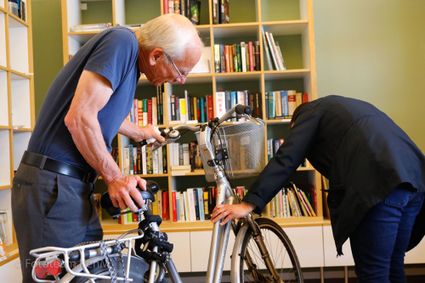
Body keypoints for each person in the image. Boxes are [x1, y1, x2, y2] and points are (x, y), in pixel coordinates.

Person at [12, 13, 203, 282]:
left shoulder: (130, 61)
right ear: (156, 55)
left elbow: (100, 109)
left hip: (73, 188)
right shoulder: (121, 43)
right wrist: (115, 177)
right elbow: (79, 117)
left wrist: (139, 131)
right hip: (53, 187)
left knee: (93, 275)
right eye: (181, 71)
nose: (180, 80)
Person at [211, 95, 425, 282]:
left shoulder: (311, 113)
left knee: (375, 273)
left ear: (295, 123)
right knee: (393, 265)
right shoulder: (344, 109)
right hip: (415, 181)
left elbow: (287, 158)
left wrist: (249, 203)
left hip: (380, 183)